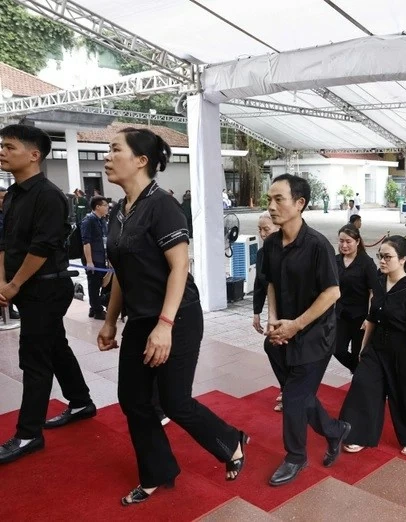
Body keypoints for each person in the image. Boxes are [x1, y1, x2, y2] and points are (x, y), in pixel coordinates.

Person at [94, 127, 246, 505]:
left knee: (175, 402)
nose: (107, 158)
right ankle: (158, 471)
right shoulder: (118, 211)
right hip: (140, 318)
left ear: (141, 160)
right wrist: (110, 321)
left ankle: (231, 440)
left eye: (115, 150)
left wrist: (164, 326)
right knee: (133, 400)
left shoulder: (162, 205)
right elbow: (121, 272)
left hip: (177, 316)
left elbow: (180, 266)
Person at [0, 124, 96, 465]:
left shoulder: (49, 196)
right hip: (23, 286)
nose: (2, 152)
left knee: (34, 358)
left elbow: (41, 248)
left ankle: (29, 434)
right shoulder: (14, 194)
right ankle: (81, 401)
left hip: (46, 288)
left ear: (34, 154)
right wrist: (3, 281)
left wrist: (13, 285)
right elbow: (5, 243)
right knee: (54, 346)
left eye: (9, 147)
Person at [261, 174, 351, 486]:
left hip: (314, 337)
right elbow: (271, 283)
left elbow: (332, 293)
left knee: (294, 397)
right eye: (269, 200)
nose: (272, 206)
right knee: (300, 394)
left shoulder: (317, 246)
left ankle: (296, 456)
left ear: (300, 203)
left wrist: (296, 325)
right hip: (282, 334)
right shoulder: (271, 244)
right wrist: (273, 318)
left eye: (279, 199)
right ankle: (335, 430)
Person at [340, 236, 406, 456]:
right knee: (363, 385)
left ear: (402, 259)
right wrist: (363, 348)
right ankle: (360, 434)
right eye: (380, 256)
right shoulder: (380, 283)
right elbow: (371, 318)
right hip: (377, 347)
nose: (382, 261)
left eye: (387, 257)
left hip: (404, 350)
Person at [334, 225, 381, 373]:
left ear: (358, 241)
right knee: (336, 349)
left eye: (348, 241)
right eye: (341, 241)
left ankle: (359, 377)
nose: (344, 245)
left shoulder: (366, 263)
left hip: (360, 317)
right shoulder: (335, 261)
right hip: (341, 314)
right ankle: (356, 370)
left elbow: (373, 292)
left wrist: (369, 317)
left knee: (358, 352)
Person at [252, 213, 281, 410]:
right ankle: (287, 387)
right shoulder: (262, 253)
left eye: (266, 229)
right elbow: (260, 283)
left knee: (279, 347)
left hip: (292, 310)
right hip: (274, 311)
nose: (262, 234)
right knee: (272, 346)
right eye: (259, 230)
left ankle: (290, 390)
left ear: (278, 227)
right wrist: (256, 312)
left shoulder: (287, 251)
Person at [81, 195, 110, 320]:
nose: (107, 207)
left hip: (101, 257)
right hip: (93, 258)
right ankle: (98, 311)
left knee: (99, 284)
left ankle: (94, 308)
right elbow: (86, 242)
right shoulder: (88, 221)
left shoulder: (102, 220)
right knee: (94, 284)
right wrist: (89, 261)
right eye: (105, 205)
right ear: (97, 207)